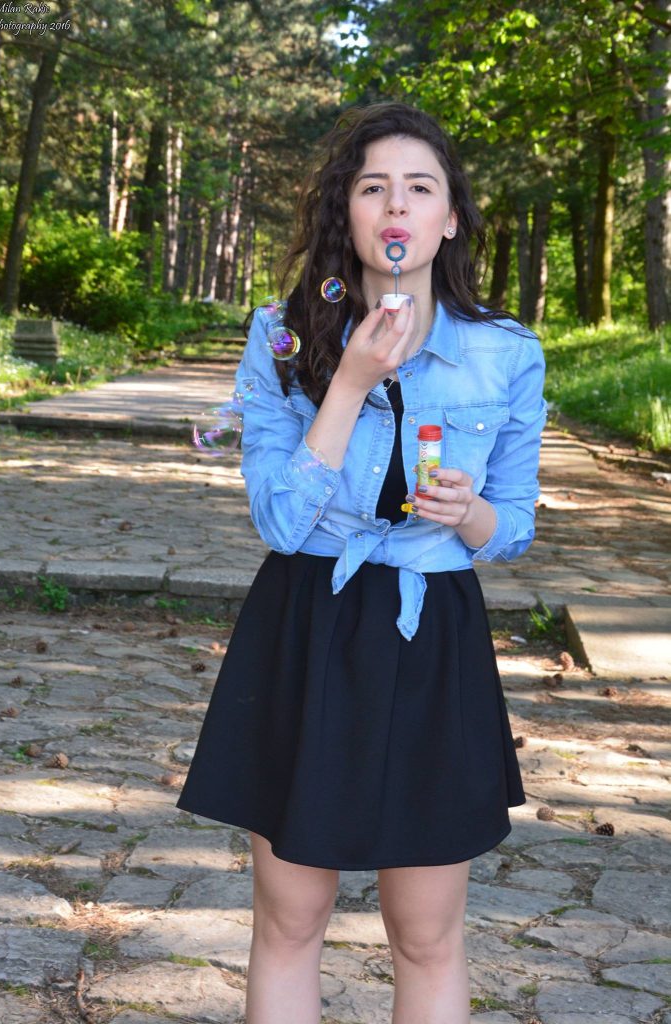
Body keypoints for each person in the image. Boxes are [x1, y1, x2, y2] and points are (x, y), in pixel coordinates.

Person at [177, 101, 547, 1024]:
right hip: (307, 620)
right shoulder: (281, 335)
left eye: (419, 187)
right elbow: (278, 517)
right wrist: (346, 383)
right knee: (290, 920)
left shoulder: (505, 352)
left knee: (425, 934)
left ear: (448, 218)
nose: (396, 205)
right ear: (346, 211)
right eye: (372, 186)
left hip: (432, 636)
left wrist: (469, 516)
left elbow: (512, 526)